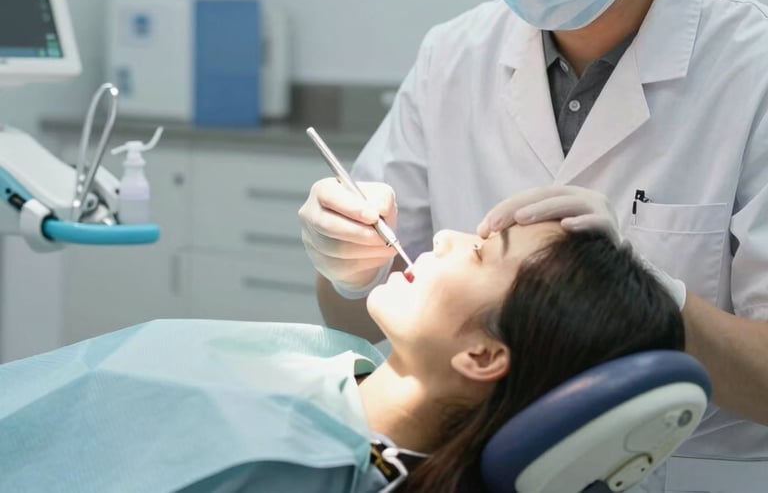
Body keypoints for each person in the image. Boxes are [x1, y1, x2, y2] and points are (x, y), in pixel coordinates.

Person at [299, 0, 768, 492]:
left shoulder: (752, 73)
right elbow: (363, 316)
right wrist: (343, 267)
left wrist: (655, 299)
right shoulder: (454, 56)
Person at [0, 225, 683, 493]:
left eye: (478, 251)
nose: (444, 235)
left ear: (481, 354)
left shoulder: (293, 467)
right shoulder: (339, 360)